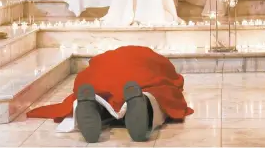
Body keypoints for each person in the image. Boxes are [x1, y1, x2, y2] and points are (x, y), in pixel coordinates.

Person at [27, 45, 193, 143]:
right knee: (157, 95)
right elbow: (173, 81)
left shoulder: (105, 59)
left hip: (103, 75)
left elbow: (89, 71)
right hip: (139, 77)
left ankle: (92, 104)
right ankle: (145, 104)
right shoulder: (154, 59)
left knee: (100, 93)